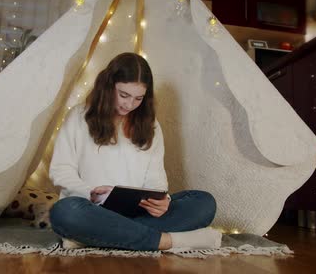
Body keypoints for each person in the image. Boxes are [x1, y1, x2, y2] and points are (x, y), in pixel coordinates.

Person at [49, 52, 221, 251]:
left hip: (137, 212)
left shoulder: (151, 125)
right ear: (108, 86)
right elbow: (60, 171)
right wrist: (91, 193)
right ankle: (169, 242)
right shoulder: (79, 117)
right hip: (91, 210)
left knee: (204, 202)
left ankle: (92, 237)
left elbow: (155, 178)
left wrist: (162, 201)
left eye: (138, 98)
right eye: (124, 95)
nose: (129, 105)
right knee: (64, 212)